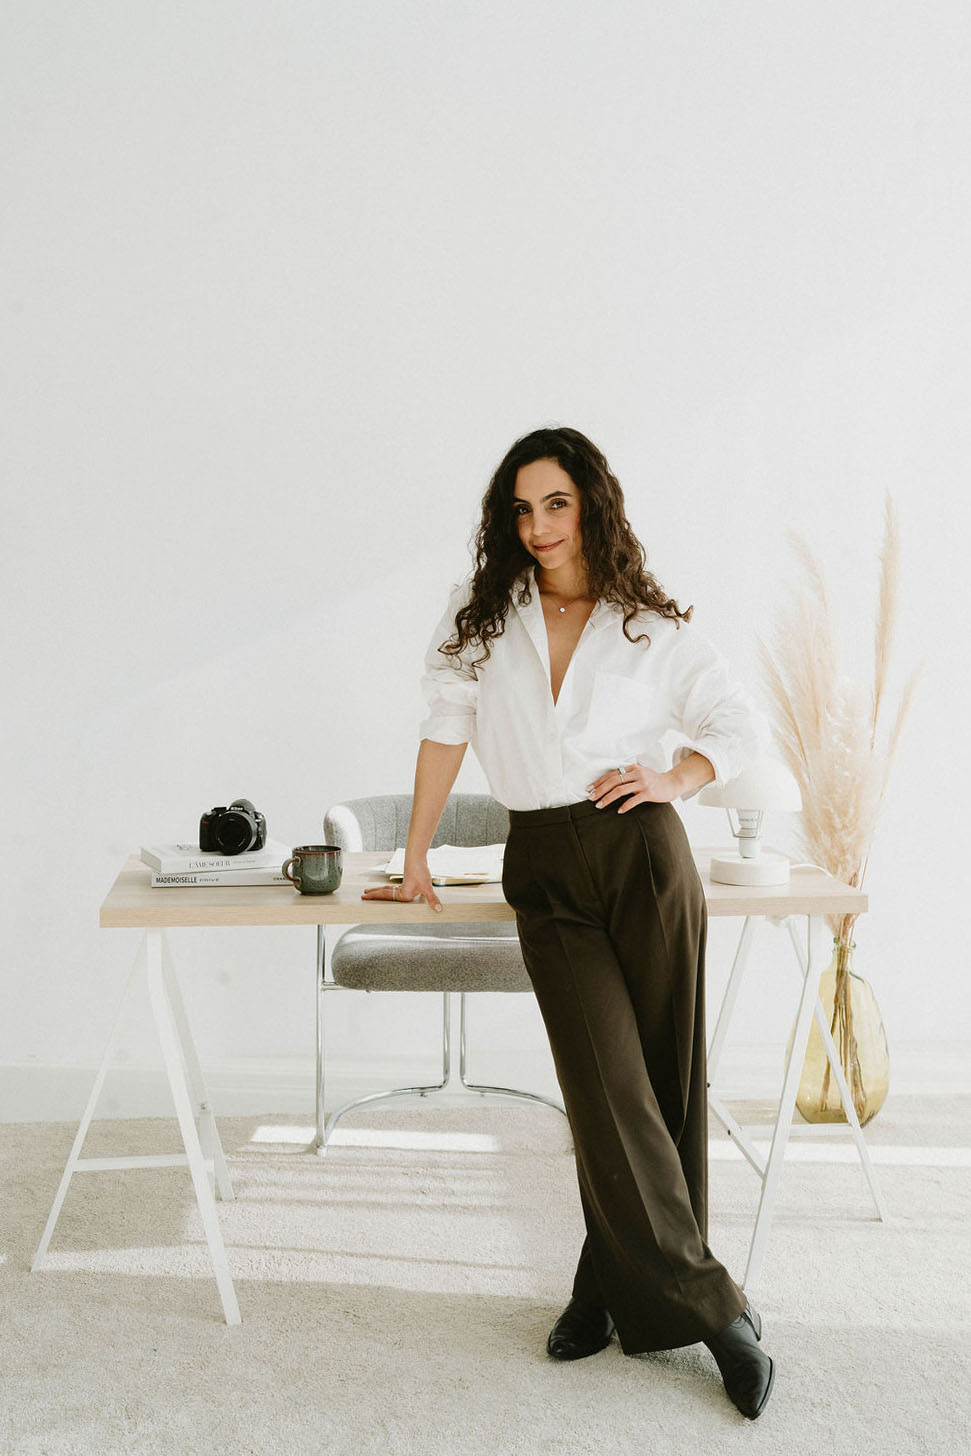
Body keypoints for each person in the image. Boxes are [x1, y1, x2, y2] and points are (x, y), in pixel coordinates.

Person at [361, 426, 776, 1420]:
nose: (537, 525)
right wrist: (414, 855)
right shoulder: (483, 619)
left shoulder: (645, 623)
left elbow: (738, 726)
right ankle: (714, 1309)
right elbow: (440, 730)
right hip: (543, 861)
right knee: (604, 1084)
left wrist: (674, 775)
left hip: (643, 853)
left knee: (661, 1084)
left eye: (553, 502)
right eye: (520, 507)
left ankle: (601, 1287)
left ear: (589, 503)